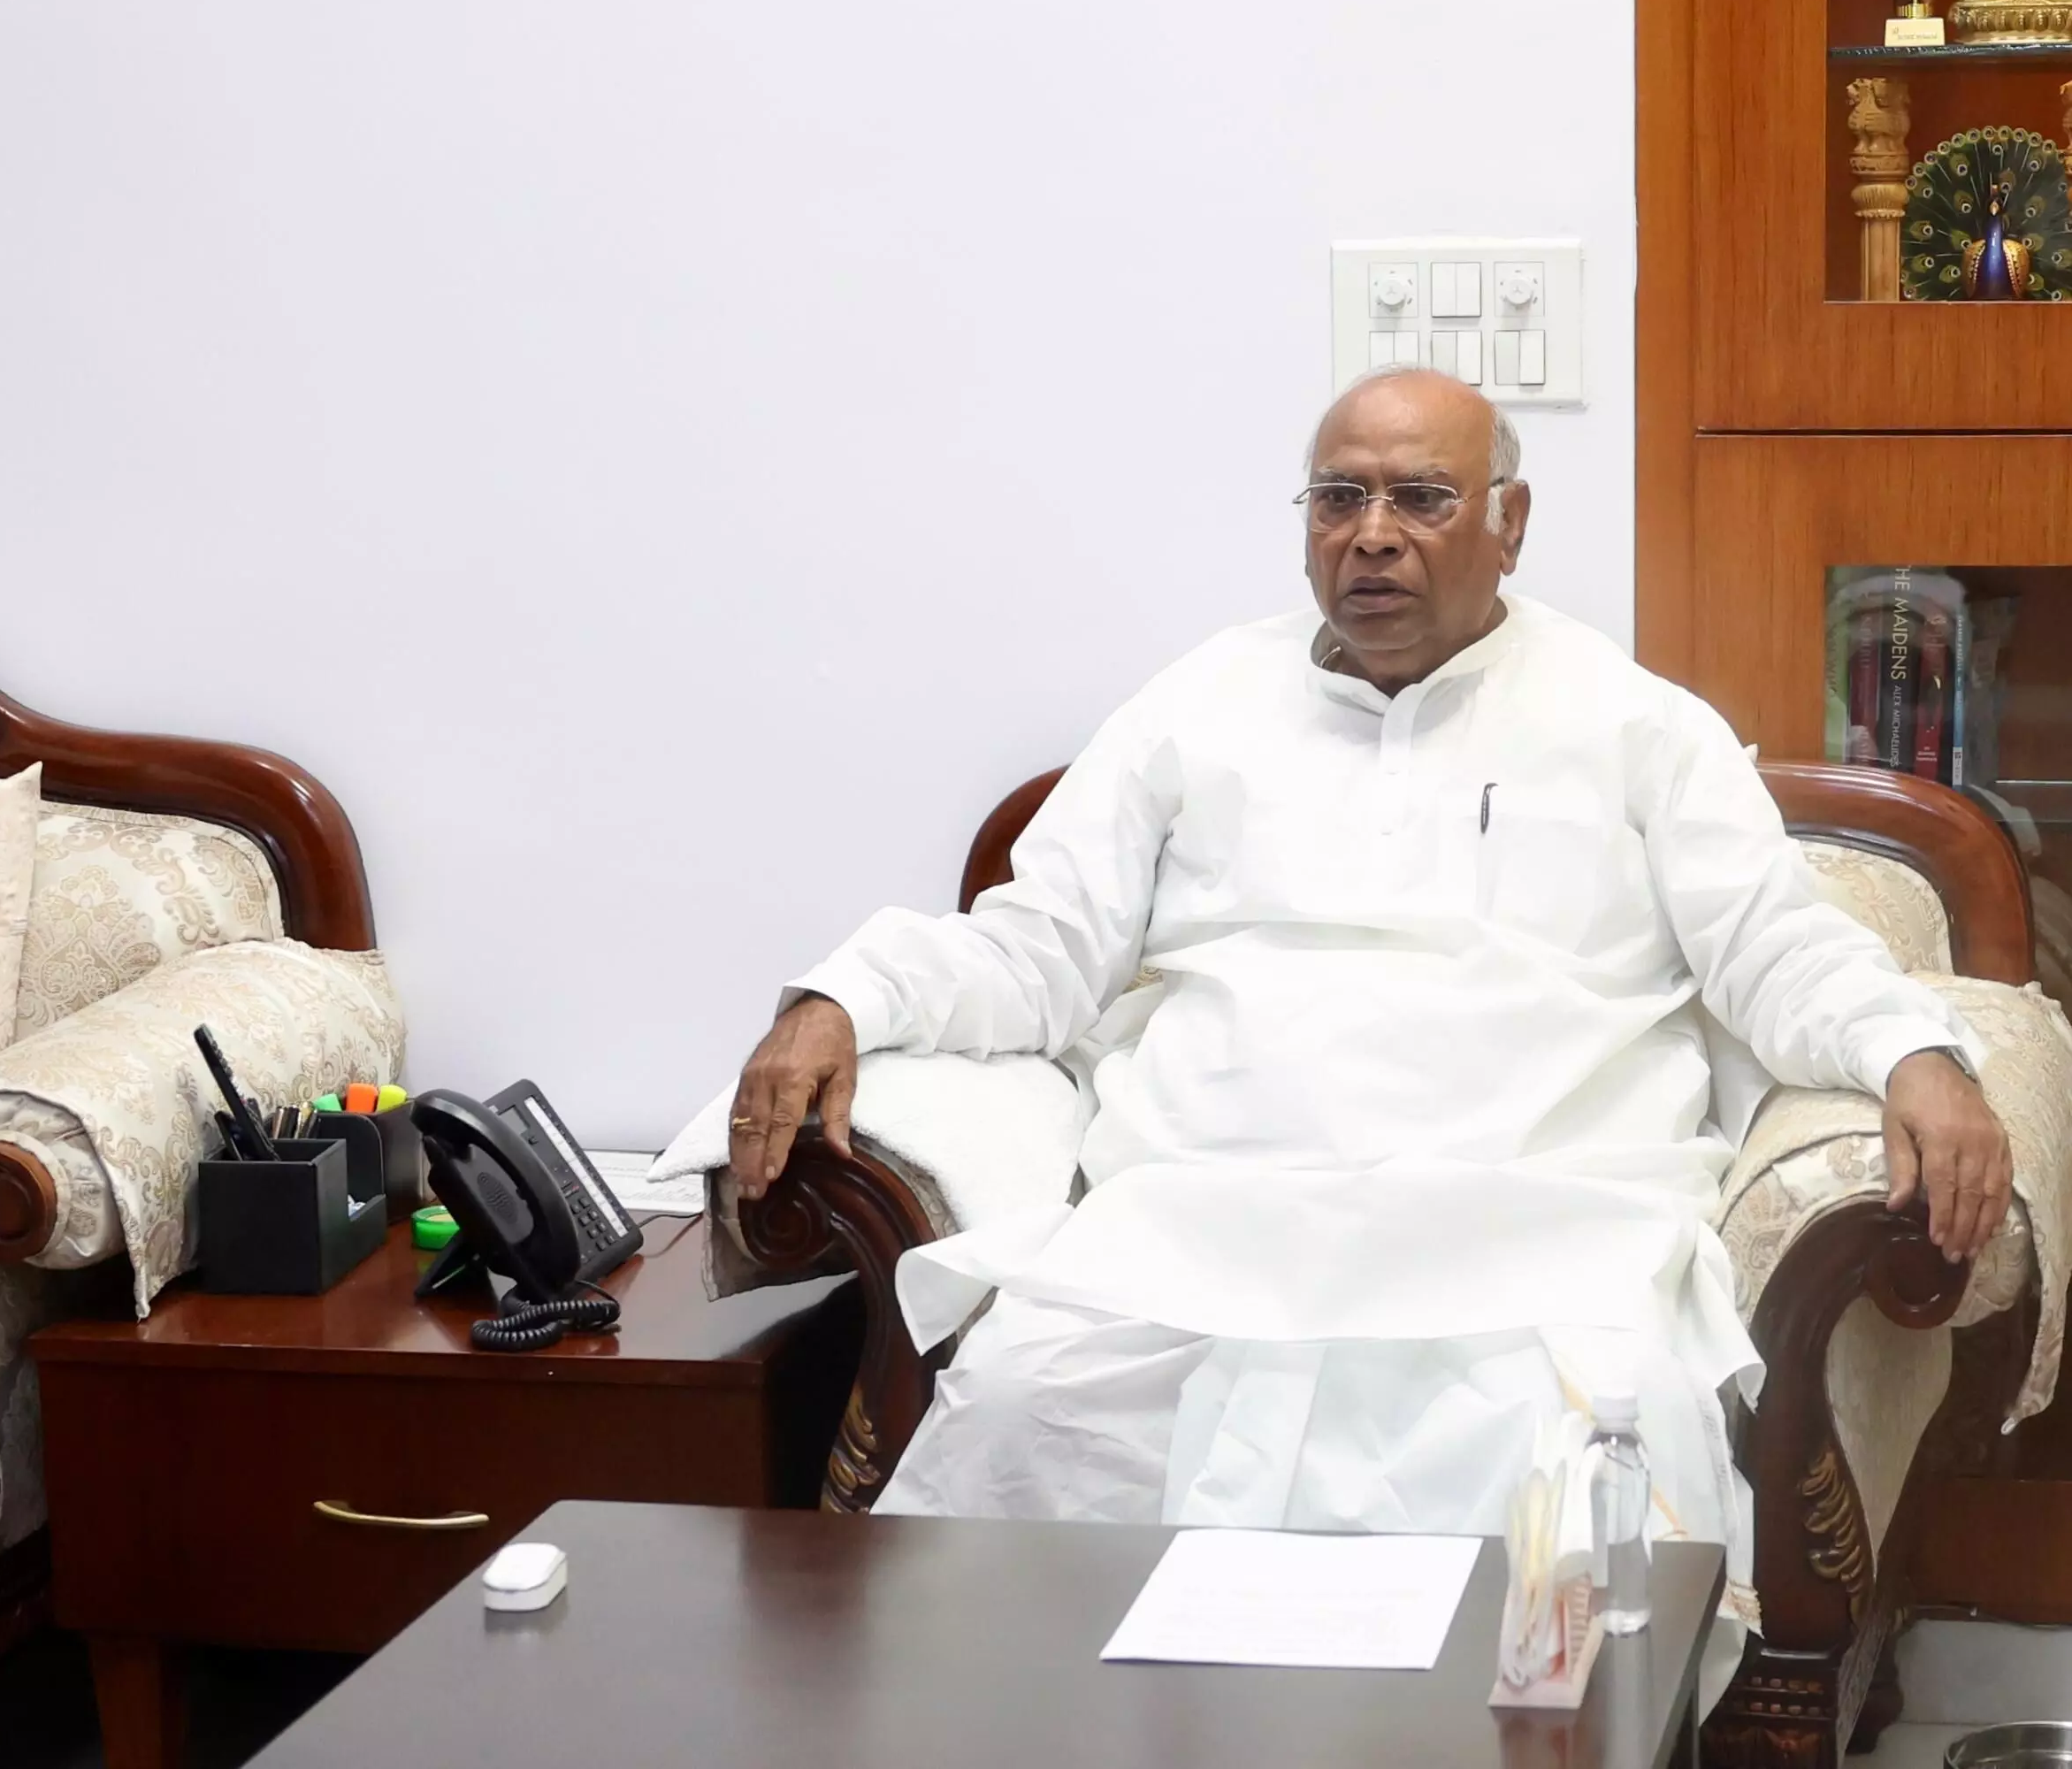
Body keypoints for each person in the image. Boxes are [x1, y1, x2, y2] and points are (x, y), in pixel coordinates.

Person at [723, 367, 2012, 1642]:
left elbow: (1774, 944)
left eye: (1421, 496)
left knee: (1575, 1486)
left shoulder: (1636, 723)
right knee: (1021, 1411)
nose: (1373, 534)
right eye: (1338, 497)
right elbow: (1036, 945)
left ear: (1509, 522)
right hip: (1197, 1225)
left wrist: (1911, 1052)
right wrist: (847, 996)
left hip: (1534, 1232)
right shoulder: (1196, 705)